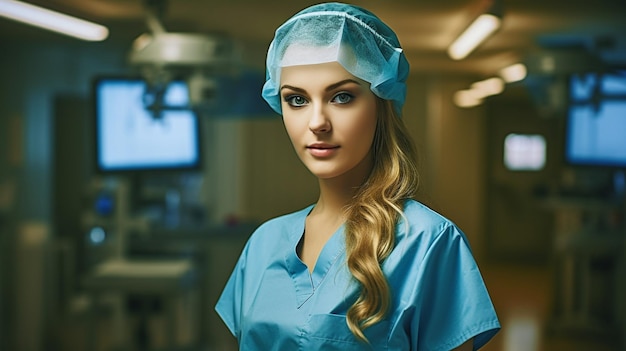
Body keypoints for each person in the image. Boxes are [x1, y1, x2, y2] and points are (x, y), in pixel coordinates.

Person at [215, 2, 500, 350]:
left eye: (342, 96)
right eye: (297, 100)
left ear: (381, 102)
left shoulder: (428, 242)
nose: (317, 122)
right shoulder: (263, 244)